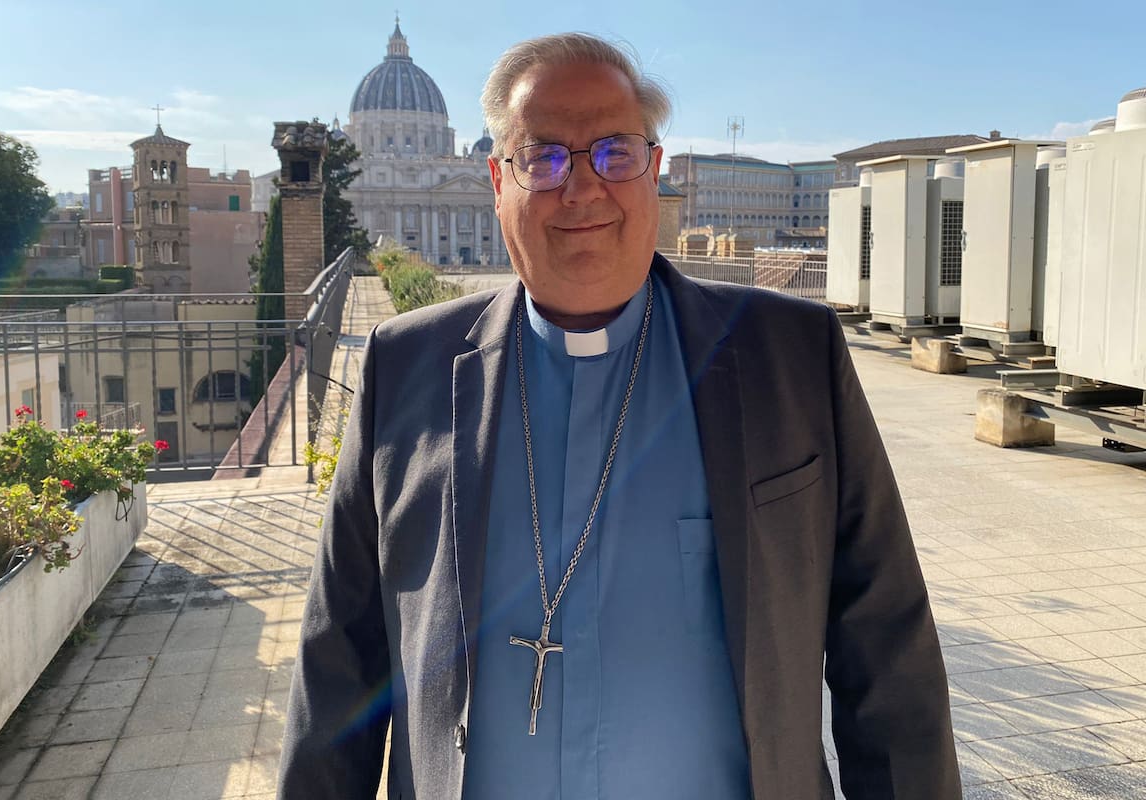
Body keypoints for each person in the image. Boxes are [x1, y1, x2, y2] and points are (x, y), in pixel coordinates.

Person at [278, 32, 961, 800]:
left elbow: (889, 653)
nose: (582, 188)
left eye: (613, 152)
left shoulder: (792, 357)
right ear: (495, 182)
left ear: (655, 169)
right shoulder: (404, 369)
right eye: (543, 158)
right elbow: (338, 665)